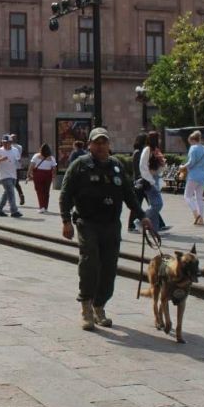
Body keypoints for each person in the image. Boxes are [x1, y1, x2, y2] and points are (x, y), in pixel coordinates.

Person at [60, 127, 152, 330]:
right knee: (90, 262)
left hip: (111, 225)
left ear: (109, 144)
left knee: (109, 269)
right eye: (97, 142)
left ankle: (99, 306)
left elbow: (129, 194)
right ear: (90, 145)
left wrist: (142, 216)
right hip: (87, 222)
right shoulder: (80, 165)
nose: (101, 146)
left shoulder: (116, 166)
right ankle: (86, 306)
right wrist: (66, 221)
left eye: (104, 142)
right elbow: (65, 193)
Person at [139, 131, 170, 232]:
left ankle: (155, 229)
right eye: (158, 138)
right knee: (158, 204)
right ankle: (140, 220)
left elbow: (158, 168)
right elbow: (142, 166)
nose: (160, 140)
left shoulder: (155, 150)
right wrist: (151, 180)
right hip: (149, 179)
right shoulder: (147, 149)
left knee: (154, 204)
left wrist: (162, 164)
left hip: (155, 178)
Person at [182, 130, 204, 226]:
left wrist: (183, 167)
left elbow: (191, 162)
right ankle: (201, 219)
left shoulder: (193, 148)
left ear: (192, 140)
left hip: (193, 175)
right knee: (199, 198)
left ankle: (196, 214)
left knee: (187, 196)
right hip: (203, 176)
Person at [0, 135, 22, 218]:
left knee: (7, 193)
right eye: (3, 142)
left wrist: (19, 162)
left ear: (10, 143)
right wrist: (1, 159)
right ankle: (14, 211)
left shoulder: (15, 150)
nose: (5, 144)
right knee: (11, 193)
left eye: (7, 142)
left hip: (13, 174)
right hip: (4, 175)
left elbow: (18, 159)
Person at [27, 143, 58, 213]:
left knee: (39, 191)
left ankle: (42, 207)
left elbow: (32, 166)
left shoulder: (36, 156)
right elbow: (54, 168)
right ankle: (45, 207)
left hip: (38, 175)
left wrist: (28, 174)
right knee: (46, 191)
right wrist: (54, 176)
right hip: (48, 175)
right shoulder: (52, 158)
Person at [127, 133, 147, 233]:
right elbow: (138, 169)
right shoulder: (138, 152)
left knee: (152, 203)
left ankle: (160, 224)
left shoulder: (142, 152)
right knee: (136, 205)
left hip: (143, 181)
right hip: (140, 182)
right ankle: (131, 225)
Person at [9, 134, 26, 206]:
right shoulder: (20, 147)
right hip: (18, 167)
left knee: (9, 183)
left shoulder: (9, 147)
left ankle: (11, 199)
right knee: (16, 182)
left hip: (10, 167)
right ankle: (21, 194)